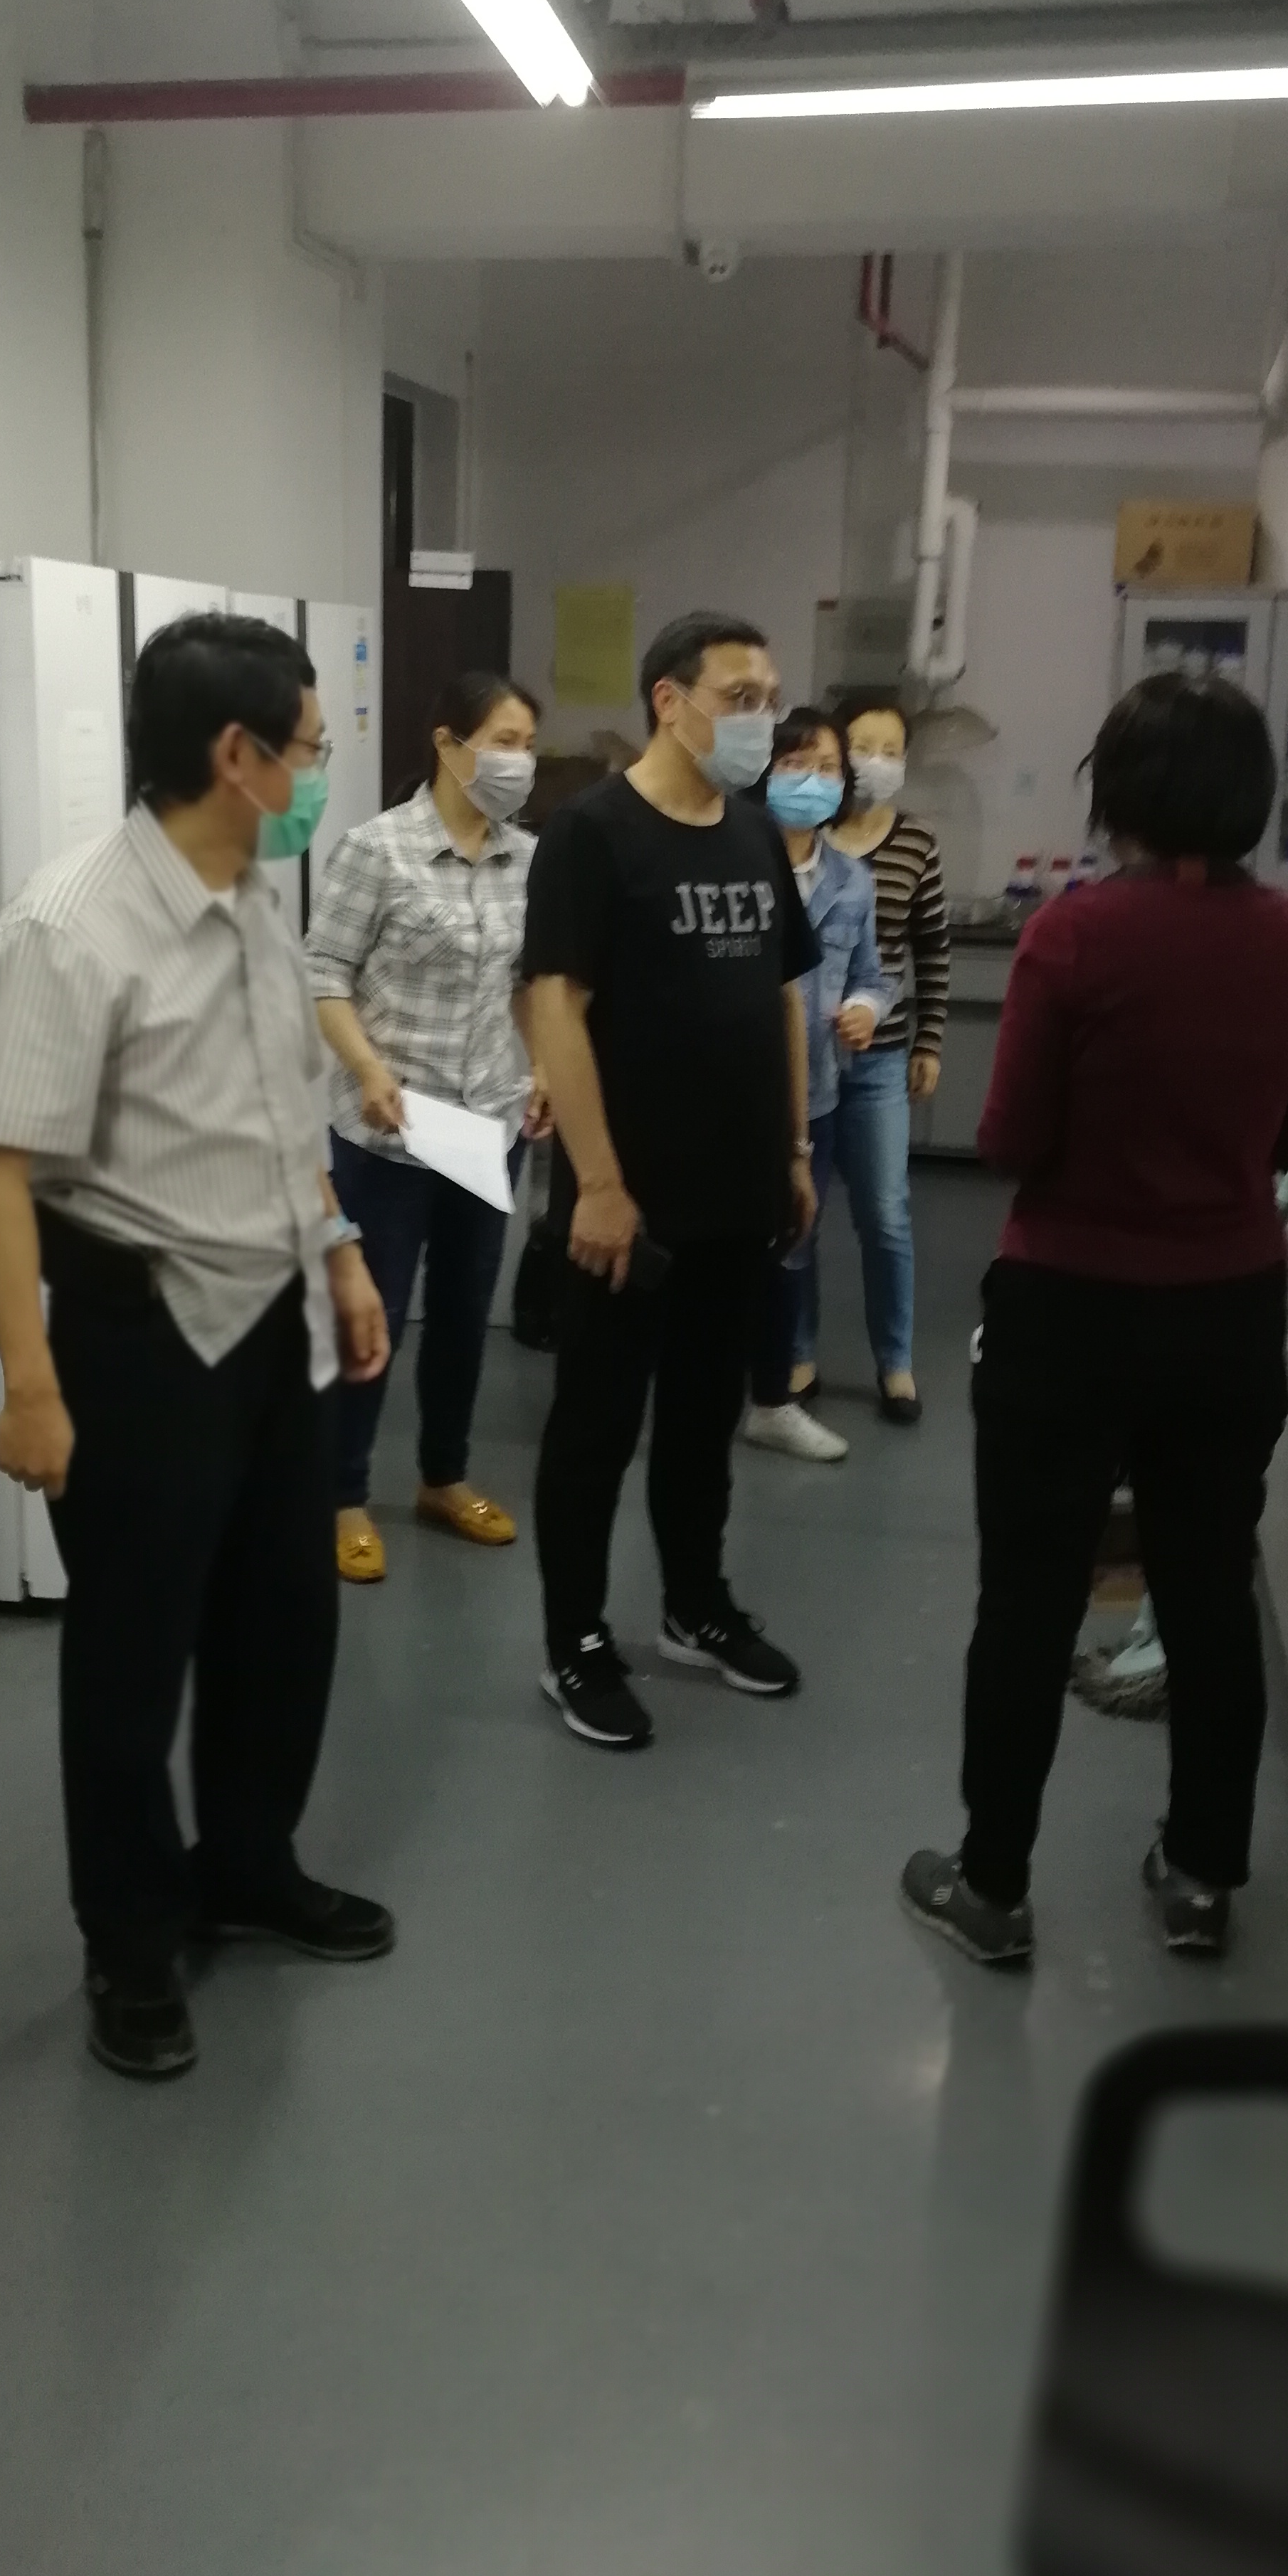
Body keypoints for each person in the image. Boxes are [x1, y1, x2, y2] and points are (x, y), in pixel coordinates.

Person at [0, 614, 397, 2085]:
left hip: (272, 1314)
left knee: (283, 1620)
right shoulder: (68, 927)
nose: (320, 771)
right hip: (140, 1332)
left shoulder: (255, 892)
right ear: (237, 752)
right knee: (132, 1655)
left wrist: (339, 1250)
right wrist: (30, 1383)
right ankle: (132, 1940)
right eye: (313, 746)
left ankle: (249, 1865)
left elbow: (280, 1105)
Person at [899, 670, 1288, 1966]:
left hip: (1071, 1306)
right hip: (1227, 1309)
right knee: (1208, 1590)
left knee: (1029, 1597)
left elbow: (1008, 1138)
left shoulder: (1077, 936)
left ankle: (992, 1887)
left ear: (1123, 795)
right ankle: (1201, 1876)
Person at [522, 610, 819, 1749]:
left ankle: (696, 1605)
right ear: (669, 700)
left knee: (703, 1420)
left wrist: (793, 1151)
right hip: (627, 1203)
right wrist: (597, 1182)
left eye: (769, 699)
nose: (761, 719)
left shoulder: (751, 833)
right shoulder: (593, 835)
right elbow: (558, 1009)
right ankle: (575, 1641)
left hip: (737, 1194)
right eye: (740, 698)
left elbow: (784, 996)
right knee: (596, 1428)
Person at [305, 670, 549, 1584]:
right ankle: (341, 1492)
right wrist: (368, 1070)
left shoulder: (529, 858)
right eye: (504, 741)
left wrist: (544, 1068)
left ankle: (443, 1476)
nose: (519, 760)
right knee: (374, 1313)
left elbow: (527, 984)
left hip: (485, 1123)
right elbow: (323, 974)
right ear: (449, 744)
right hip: (389, 1128)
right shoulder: (378, 850)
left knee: (463, 1311)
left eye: (528, 744)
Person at [743, 708, 891, 1463]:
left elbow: (873, 975)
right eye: (796, 763)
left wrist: (866, 1008)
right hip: (731, 1090)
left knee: (791, 1244)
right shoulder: (733, 856)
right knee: (711, 1247)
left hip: (818, 1094)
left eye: (828, 767)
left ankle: (774, 1395)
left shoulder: (852, 880)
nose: (812, 779)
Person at [823, 696, 950, 1422]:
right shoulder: (802, 833)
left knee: (886, 1214)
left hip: (880, 1059)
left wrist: (929, 1039)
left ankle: (895, 1363)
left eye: (891, 749)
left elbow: (932, 948)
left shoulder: (916, 842)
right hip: (804, 1056)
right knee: (797, 1217)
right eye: (862, 746)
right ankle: (793, 1353)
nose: (876, 761)